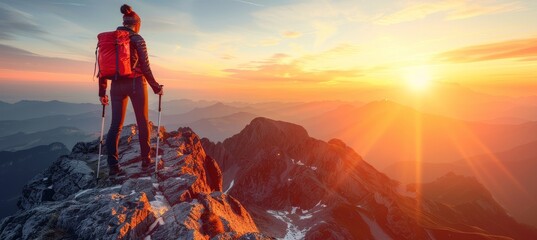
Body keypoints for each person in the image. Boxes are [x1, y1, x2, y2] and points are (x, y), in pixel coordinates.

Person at [99, 4, 163, 176]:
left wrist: (102, 92)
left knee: (115, 126)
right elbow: (146, 67)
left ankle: (113, 167)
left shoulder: (112, 39)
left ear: (123, 22)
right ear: (137, 24)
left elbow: (104, 68)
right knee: (143, 122)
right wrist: (156, 87)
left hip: (116, 86)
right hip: (136, 83)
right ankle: (146, 161)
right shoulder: (137, 39)